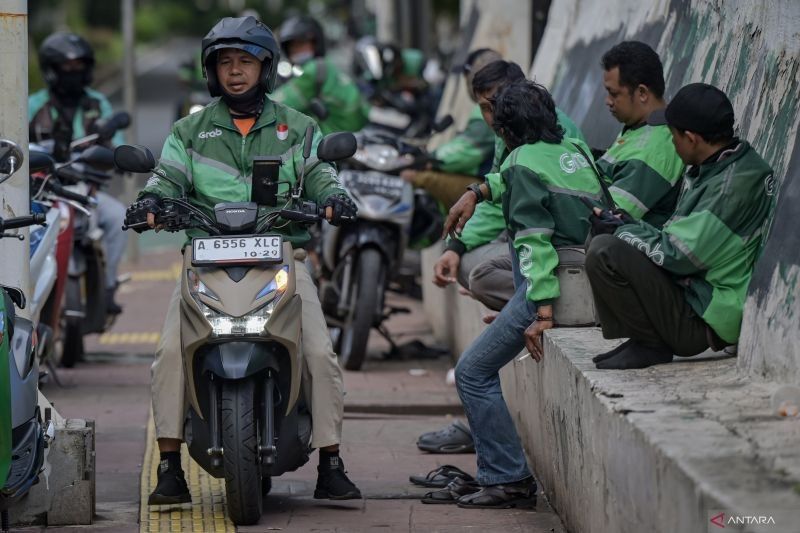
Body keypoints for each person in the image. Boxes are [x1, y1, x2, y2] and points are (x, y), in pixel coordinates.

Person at [124, 16, 361, 504]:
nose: (235, 72)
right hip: (204, 261)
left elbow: (320, 173)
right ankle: (170, 467)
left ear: (265, 68)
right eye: (226, 63)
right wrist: (151, 203)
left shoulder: (297, 127)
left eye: (246, 62)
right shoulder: (189, 131)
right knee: (170, 354)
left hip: (282, 256)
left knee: (319, 353)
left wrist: (334, 197)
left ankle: (331, 461)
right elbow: (165, 179)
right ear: (212, 71)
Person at [425, 80, 601, 508]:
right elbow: (517, 181)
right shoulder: (575, 152)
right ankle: (499, 473)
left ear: (504, 131)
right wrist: (477, 191)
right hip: (584, 278)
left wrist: (541, 312)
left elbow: (534, 243)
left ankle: (508, 478)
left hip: (548, 286)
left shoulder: (521, 162)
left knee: (472, 373)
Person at [586, 83, 773, 369]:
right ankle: (643, 339)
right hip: (693, 293)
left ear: (691, 138)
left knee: (604, 250)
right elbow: (675, 240)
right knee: (616, 233)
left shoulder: (728, 190)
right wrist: (626, 223)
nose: (670, 143)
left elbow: (678, 256)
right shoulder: (725, 165)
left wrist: (620, 231)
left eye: (672, 136)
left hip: (704, 317)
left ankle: (651, 344)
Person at [29, 32, 128, 314]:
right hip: (43, 192)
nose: (74, 73)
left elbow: (117, 143)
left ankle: (108, 287)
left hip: (87, 190)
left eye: (80, 66)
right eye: (66, 67)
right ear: (51, 70)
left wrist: (111, 147)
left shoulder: (98, 104)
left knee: (118, 217)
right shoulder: (34, 105)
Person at [597, 41, 685, 228]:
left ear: (642, 93)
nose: (608, 101)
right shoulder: (638, 127)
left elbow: (608, 217)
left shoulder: (656, 148)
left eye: (613, 94)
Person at [399, 48, 501, 208]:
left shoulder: (488, 108)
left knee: (414, 177)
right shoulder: (491, 104)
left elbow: (466, 151)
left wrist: (429, 160)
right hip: (492, 181)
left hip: (490, 185)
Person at [273, 15, 370, 134]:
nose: (296, 50)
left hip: (335, 138)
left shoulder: (314, 69)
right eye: (293, 46)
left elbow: (279, 104)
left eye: (301, 44)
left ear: (316, 43)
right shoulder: (328, 65)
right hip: (356, 134)